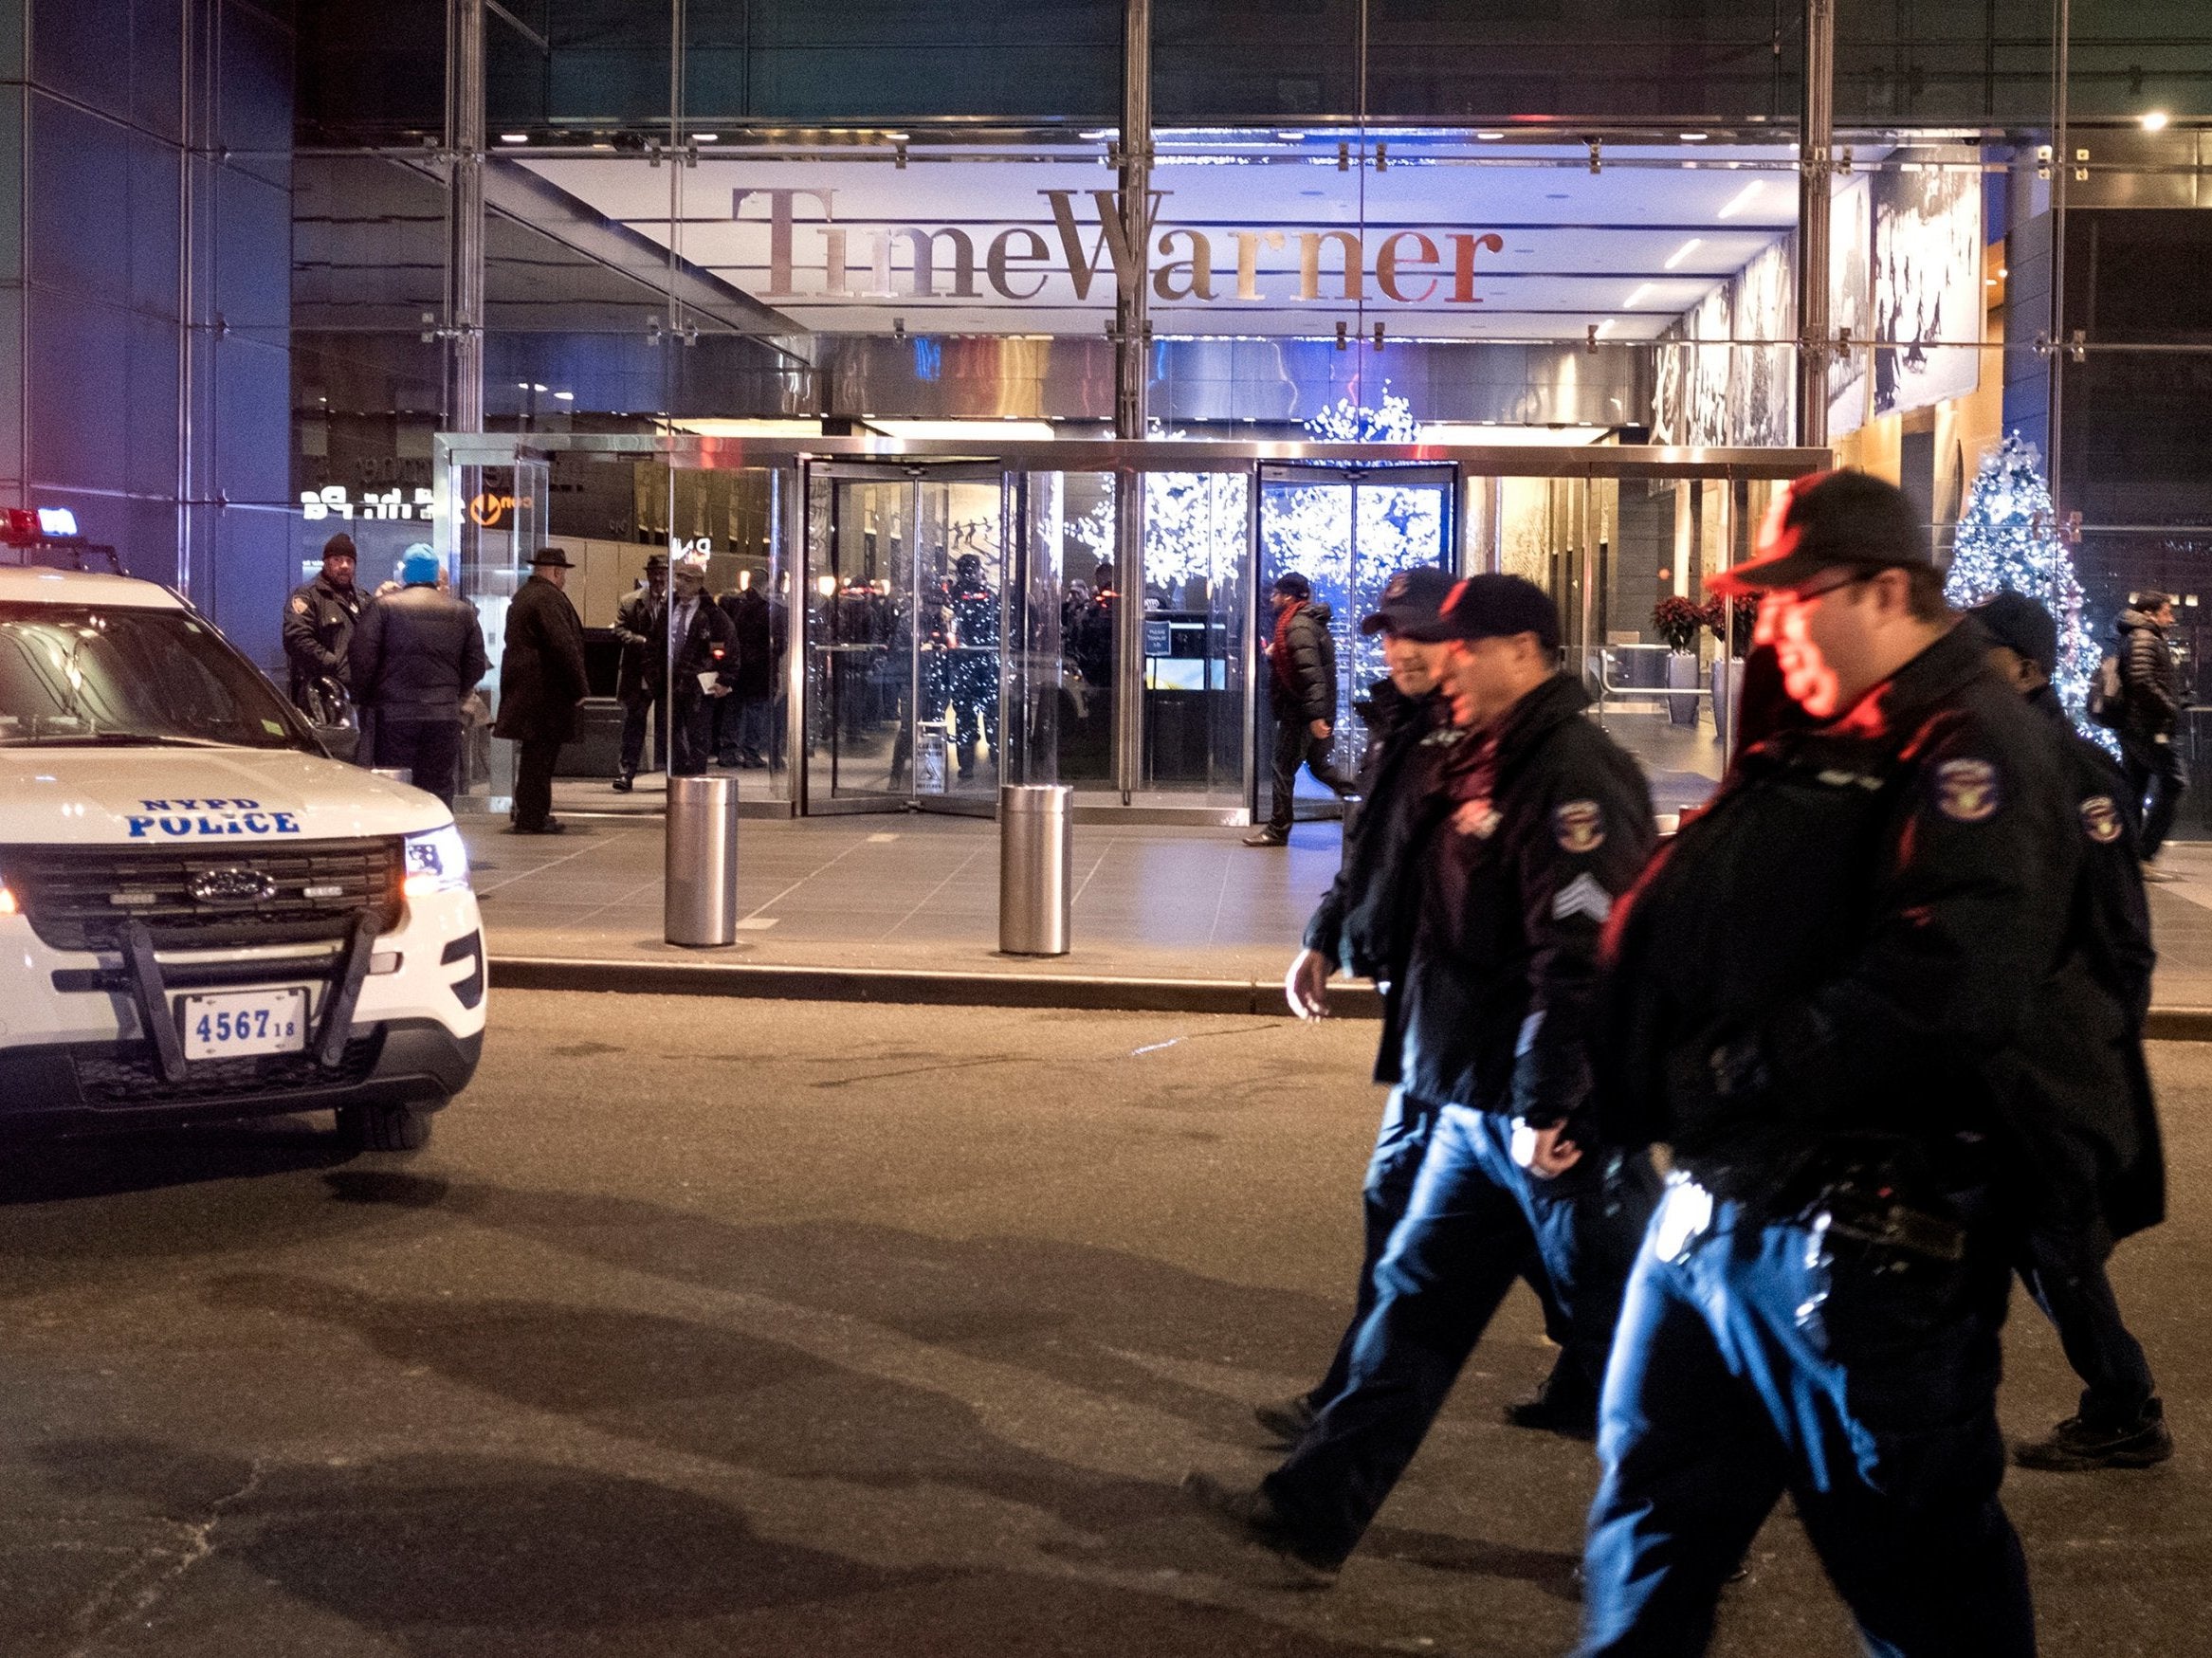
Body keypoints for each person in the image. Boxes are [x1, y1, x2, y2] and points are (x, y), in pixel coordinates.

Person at [1579, 471, 2084, 1657]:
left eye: (1796, 602)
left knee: (1921, 1587)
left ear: (1886, 590)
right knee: (1647, 1532)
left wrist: (1724, 1075)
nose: (1773, 631)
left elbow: (1941, 986)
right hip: (1723, 1211)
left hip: (1858, 1246)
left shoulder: (1972, 745)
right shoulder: (1834, 729)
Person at [1186, 574, 1660, 1585]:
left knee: (1630, 1328)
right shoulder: (1470, 746)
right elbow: (1399, 870)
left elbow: (1580, 954)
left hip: (1547, 1112)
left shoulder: (1571, 769)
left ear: (1522, 650)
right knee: (1412, 1306)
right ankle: (1310, 1509)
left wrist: (1554, 1097)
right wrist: (1338, 937)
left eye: (1463, 647)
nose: (1444, 663)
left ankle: (1681, 1539)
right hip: (1466, 1091)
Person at [1257, 565, 1580, 1450]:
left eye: (1423, 635)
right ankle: (1596, 1358)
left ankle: (1343, 1421)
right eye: (1390, 635)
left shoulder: (1488, 740)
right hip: (1431, 1012)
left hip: (1479, 1024)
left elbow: (1557, 925)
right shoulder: (1407, 727)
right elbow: (1376, 853)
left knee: (1438, 1215)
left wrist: (1549, 1067)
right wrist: (1327, 936)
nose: (1401, 650)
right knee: (1467, 1216)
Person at [1971, 592, 2170, 1470]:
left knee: (2051, 1238)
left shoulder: (2077, 773)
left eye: (1980, 652)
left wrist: (2094, 1046)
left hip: (2050, 1058)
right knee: (2025, 1236)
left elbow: (2122, 934)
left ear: (2027, 669)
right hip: (1995, 1053)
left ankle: (2124, 1404)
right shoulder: (1975, 760)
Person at [345, 545, 485, 806]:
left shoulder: (384, 608)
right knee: (439, 787)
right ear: (434, 574)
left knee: (397, 789)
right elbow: (476, 665)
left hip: (394, 716)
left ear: (406, 573)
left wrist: (367, 698)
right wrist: (451, 693)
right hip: (444, 717)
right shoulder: (462, 612)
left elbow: (362, 660)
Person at [1246, 572, 1358, 847]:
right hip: (1311, 710)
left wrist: (1316, 717)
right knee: (1319, 767)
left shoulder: (1297, 626)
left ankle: (1277, 829)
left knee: (1282, 767)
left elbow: (1312, 676)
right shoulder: (1305, 623)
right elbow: (1303, 667)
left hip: (1302, 713)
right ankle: (1364, 801)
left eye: (1275, 594)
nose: (1271, 599)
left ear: (1288, 597)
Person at [494, 546, 588, 835]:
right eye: (563, 574)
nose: (564, 580)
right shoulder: (547, 598)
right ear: (557, 572)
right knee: (540, 758)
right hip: (544, 694)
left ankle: (531, 814)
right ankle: (532, 816)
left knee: (535, 755)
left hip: (528, 692)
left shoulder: (525, 595)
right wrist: (579, 687)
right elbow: (563, 645)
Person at [2114, 592, 2186, 875]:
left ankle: (2129, 857)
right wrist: (2169, 705)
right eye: (2166, 611)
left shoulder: (2138, 635)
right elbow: (2141, 680)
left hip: (2136, 727)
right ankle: (2144, 854)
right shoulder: (2144, 637)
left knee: (2134, 791)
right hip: (2149, 728)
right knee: (2175, 782)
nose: (2171, 617)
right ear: (2149, 613)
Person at [663, 557, 736, 777]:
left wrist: (725, 679)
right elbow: (655, 642)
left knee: (698, 734)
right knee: (671, 733)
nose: (681, 584)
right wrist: (653, 673)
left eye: (688, 580)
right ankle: (678, 778)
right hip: (670, 682)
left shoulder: (713, 615)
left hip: (698, 685)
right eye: (679, 578)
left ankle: (695, 778)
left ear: (699, 583)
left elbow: (727, 646)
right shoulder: (669, 609)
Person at [283, 532, 365, 725]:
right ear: (326, 562)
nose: (344, 566)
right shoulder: (308, 595)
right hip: (320, 698)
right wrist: (334, 665)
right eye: (337, 560)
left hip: (357, 698)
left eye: (349, 561)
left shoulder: (362, 599)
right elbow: (296, 638)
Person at [611, 554, 667, 793]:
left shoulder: (677, 602)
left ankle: (674, 774)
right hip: (640, 672)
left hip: (665, 674)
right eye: (655, 573)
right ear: (648, 575)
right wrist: (640, 641)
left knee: (670, 726)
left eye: (662, 573)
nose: (659, 578)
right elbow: (619, 630)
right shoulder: (630, 601)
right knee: (634, 724)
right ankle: (627, 772)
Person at [946, 551, 1000, 784]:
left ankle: (967, 766)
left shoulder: (953, 597)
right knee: (991, 716)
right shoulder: (988, 596)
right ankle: (997, 761)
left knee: (966, 718)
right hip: (985, 665)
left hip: (964, 665)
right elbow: (999, 629)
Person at [721, 577, 781, 769]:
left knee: (733, 709)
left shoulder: (735, 603)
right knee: (756, 710)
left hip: (738, 664)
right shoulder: (769, 608)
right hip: (760, 667)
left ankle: (728, 750)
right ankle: (750, 752)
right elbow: (777, 641)